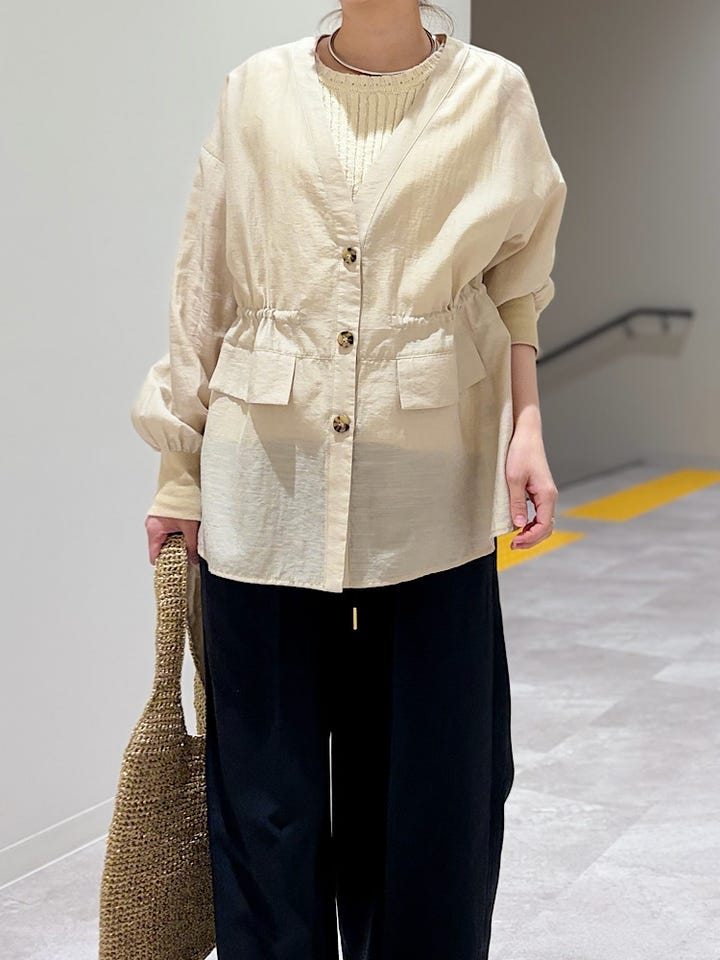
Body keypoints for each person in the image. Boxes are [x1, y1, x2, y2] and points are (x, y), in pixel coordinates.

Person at [130, 2, 566, 957]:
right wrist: (178, 471)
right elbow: (204, 286)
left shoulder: (493, 92)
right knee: (265, 808)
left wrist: (527, 428)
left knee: (438, 802)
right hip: (265, 493)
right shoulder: (255, 89)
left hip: (433, 499)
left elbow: (517, 286)